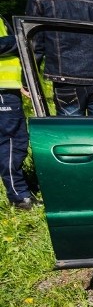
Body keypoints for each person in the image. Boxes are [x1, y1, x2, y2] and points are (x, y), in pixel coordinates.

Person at [0, 17, 39, 210]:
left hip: (8, 89)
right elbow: (19, 43)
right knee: (12, 142)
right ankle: (19, 196)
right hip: (2, 91)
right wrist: (19, 40)